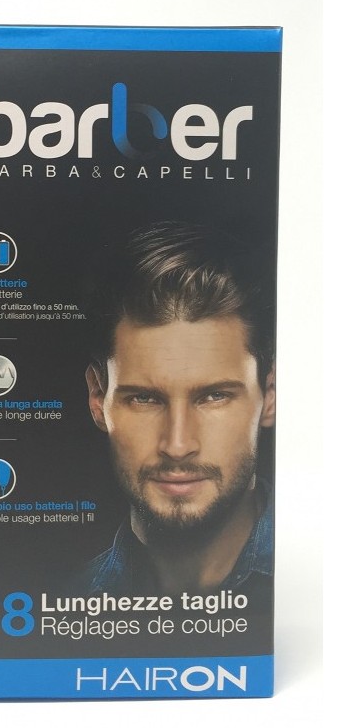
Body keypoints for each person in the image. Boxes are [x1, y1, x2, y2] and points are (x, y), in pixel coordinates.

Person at [79, 224, 274, 597]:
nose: (178, 445)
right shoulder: (66, 603)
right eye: (145, 399)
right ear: (97, 398)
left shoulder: (319, 586)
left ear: (270, 394)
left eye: (214, 396)